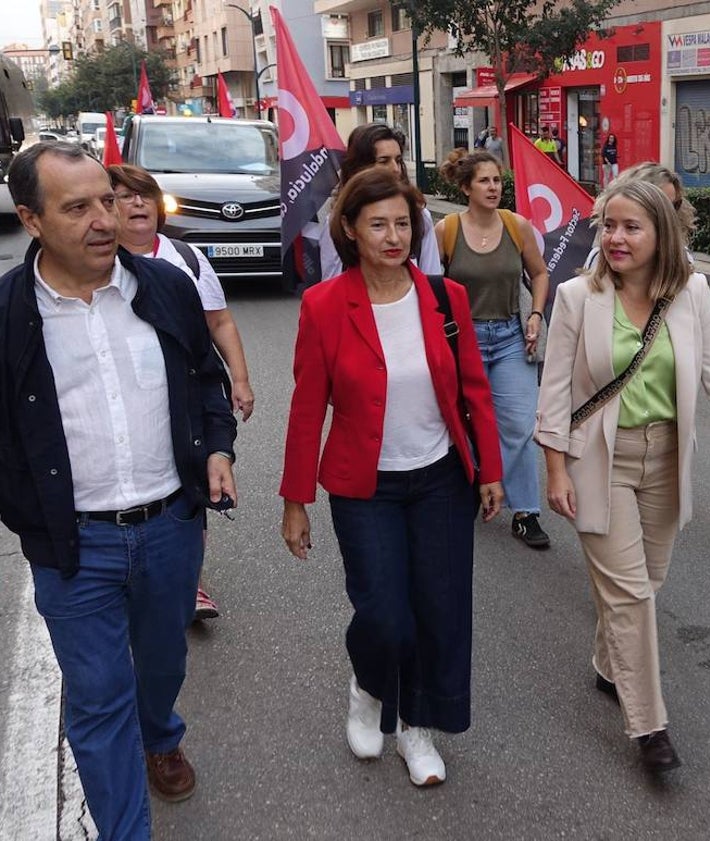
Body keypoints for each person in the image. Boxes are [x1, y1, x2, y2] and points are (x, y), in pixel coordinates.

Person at [3, 142, 237, 838]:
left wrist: (217, 447)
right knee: (100, 703)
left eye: (105, 200)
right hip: (74, 546)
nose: (104, 219)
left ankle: (161, 732)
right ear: (31, 219)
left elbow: (206, 379)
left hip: (170, 527)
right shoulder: (11, 315)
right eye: (77, 207)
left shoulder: (162, 288)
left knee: (161, 662)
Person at [281, 167, 504, 787]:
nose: (392, 236)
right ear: (349, 231)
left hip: (439, 480)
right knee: (383, 615)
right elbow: (306, 407)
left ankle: (414, 727)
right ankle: (368, 685)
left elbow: (474, 391)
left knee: (438, 609)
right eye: (377, 224)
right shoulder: (325, 305)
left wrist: (488, 470)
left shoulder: (442, 297)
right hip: (364, 486)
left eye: (403, 223)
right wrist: (295, 499)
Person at [535, 179, 710, 774]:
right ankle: (649, 727)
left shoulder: (694, 294)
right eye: (608, 225)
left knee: (648, 580)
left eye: (631, 227)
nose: (615, 238)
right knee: (632, 595)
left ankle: (611, 664)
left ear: (661, 233)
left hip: (667, 459)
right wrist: (555, 467)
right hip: (597, 459)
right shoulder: (577, 297)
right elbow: (555, 390)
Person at [108, 163, 254, 621]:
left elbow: (219, 321)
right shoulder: (93, 265)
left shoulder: (186, 259)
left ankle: (191, 583)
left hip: (185, 398)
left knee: (192, 484)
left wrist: (241, 379)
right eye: (124, 197)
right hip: (125, 401)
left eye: (144, 195)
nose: (137, 204)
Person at [435, 149, 551, 548]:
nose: (493, 187)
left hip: (509, 339)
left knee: (518, 424)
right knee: (462, 423)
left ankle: (525, 512)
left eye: (498, 181)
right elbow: (432, 290)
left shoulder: (517, 226)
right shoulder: (446, 230)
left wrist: (535, 313)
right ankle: (472, 488)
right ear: (466, 187)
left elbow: (538, 273)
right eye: (484, 181)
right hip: (461, 341)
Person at [319, 123, 441, 279]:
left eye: (398, 160)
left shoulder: (420, 216)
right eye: (384, 161)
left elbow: (431, 278)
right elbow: (330, 283)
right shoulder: (338, 221)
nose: (395, 169)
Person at [583, 161, 696, 270]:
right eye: (609, 225)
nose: (666, 213)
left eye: (672, 206)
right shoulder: (596, 261)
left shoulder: (684, 265)